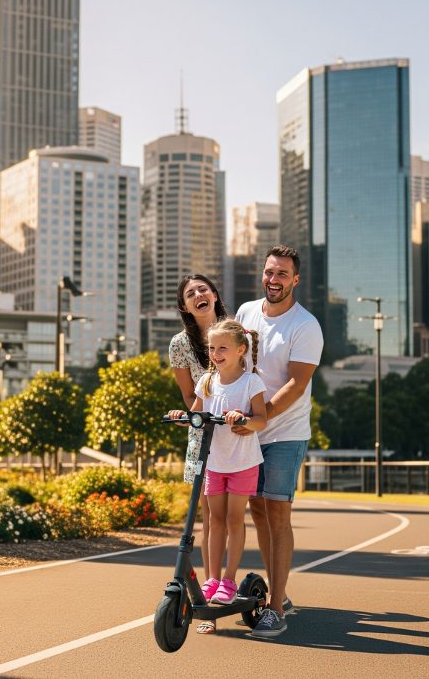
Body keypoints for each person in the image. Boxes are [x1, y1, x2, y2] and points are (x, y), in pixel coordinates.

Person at [233, 244, 323, 639]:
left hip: (284, 430)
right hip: (249, 430)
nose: (274, 280)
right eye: (270, 272)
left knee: (278, 512)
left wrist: (260, 418)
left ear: (295, 279)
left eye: (282, 274)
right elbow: (233, 365)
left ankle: (275, 610)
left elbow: (296, 383)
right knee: (256, 507)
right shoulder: (245, 313)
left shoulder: (306, 326)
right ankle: (278, 591)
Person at [169, 318, 266, 618]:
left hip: (242, 462)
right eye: (212, 348)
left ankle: (228, 579)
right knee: (214, 521)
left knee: (235, 520)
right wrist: (182, 416)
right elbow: (196, 414)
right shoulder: (207, 382)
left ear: (241, 350)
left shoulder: (251, 382)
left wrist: (245, 420)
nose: (215, 353)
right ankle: (211, 578)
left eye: (222, 348)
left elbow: (261, 419)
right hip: (215, 462)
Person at [168, 274, 227, 633]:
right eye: (190, 294)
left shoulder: (239, 333)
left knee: (235, 516)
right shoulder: (179, 345)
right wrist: (192, 416)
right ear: (185, 307)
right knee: (207, 517)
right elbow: (190, 398)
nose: (198, 295)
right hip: (203, 434)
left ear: (215, 295)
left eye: (203, 289)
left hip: (235, 431)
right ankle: (208, 590)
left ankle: (237, 587)